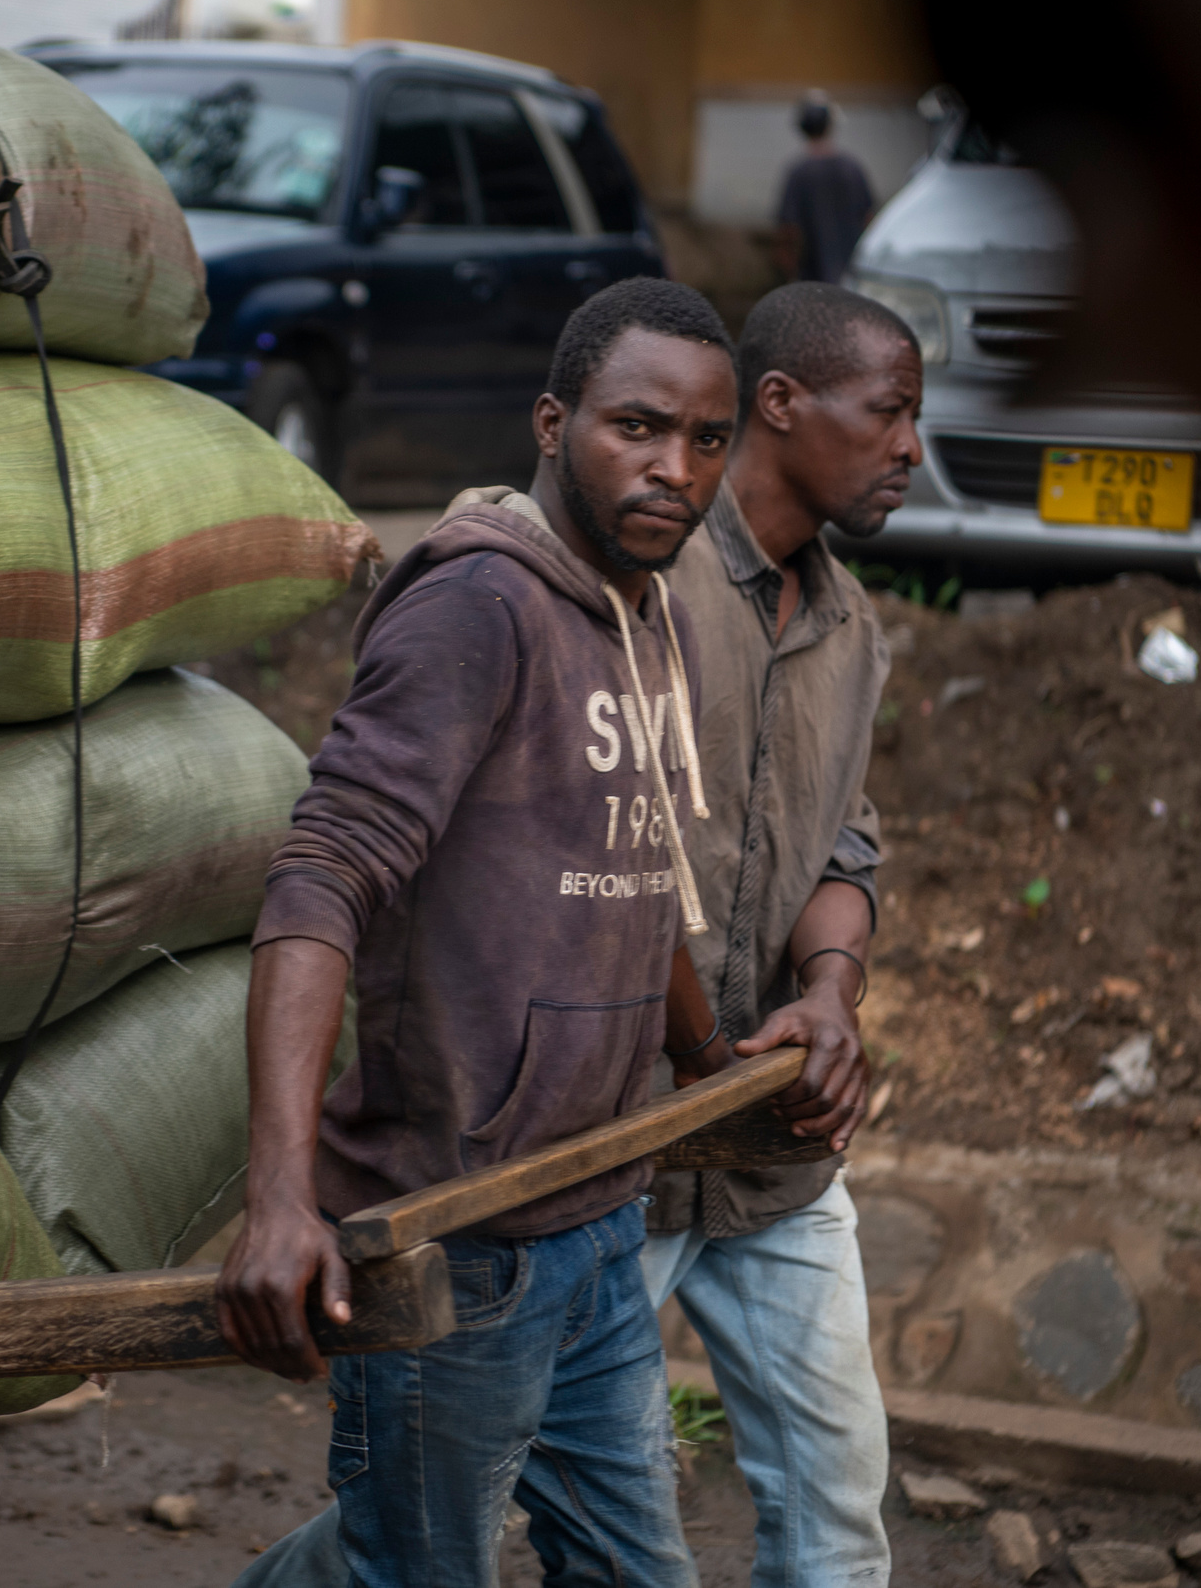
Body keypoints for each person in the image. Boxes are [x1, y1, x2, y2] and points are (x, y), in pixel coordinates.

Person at [217, 277, 856, 1588]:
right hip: (456, 1234)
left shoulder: (653, 612)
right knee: (413, 1566)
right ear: (553, 424)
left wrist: (702, 1063)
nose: (676, 468)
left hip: (598, 1220)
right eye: (638, 427)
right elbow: (323, 875)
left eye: (707, 439)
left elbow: (634, 877)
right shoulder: (478, 608)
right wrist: (277, 1196)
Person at [641, 282, 924, 1588]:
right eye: (890, 411)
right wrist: (697, 1059)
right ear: (780, 402)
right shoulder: (645, 577)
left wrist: (830, 991)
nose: (911, 446)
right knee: (452, 1516)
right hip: (609, 1154)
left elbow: (840, 840)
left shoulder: (849, 628)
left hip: (768, 1150)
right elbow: (600, 864)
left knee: (837, 1516)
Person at [773, 92, 877, 283]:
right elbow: (869, 220)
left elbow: (788, 230)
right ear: (830, 125)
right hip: (852, 277)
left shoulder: (798, 173)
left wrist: (789, 270)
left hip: (814, 282)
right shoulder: (852, 169)